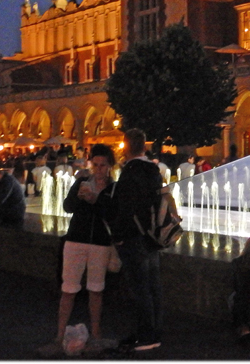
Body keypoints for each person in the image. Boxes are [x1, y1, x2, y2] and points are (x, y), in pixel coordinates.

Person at [52, 144, 116, 353]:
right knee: (68, 289)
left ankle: (96, 335)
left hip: (100, 243)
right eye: (95, 165)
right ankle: (59, 335)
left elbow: (113, 215)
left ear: (110, 166)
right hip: (75, 240)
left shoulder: (114, 189)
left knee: (96, 289)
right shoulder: (81, 182)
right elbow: (67, 207)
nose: (98, 169)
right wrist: (79, 198)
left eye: (102, 165)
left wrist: (95, 200)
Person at [106, 128, 164, 351]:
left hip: (133, 237)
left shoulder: (131, 171)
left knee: (140, 289)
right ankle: (153, 331)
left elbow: (127, 207)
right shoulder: (153, 169)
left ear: (127, 146)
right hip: (151, 237)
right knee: (153, 287)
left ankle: (147, 336)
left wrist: (118, 236)